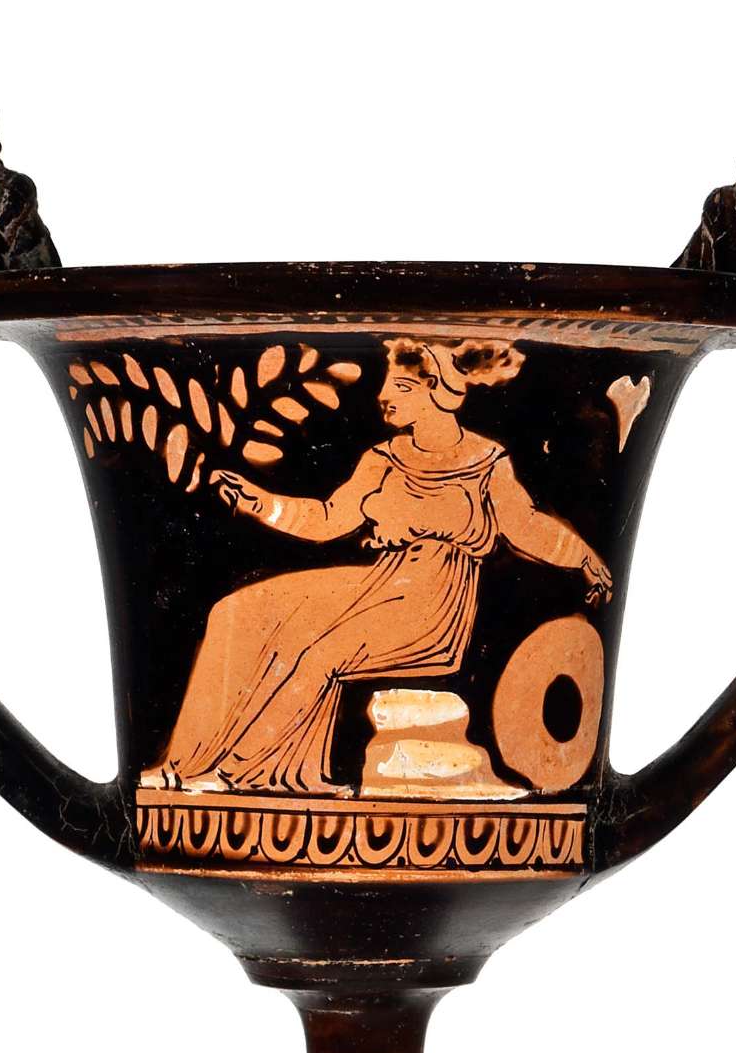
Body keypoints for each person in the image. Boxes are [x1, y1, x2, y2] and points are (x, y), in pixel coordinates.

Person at [140, 337, 612, 795]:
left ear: (437, 391)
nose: (385, 396)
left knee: (316, 652)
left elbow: (526, 526)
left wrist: (585, 557)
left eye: (402, 387)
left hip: (432, 603)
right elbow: (329, 519)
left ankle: (244, 771)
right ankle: (185, 764)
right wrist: (261, 503)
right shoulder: (383, 458)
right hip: (380, 582)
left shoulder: (485, 462)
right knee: (236, 610)